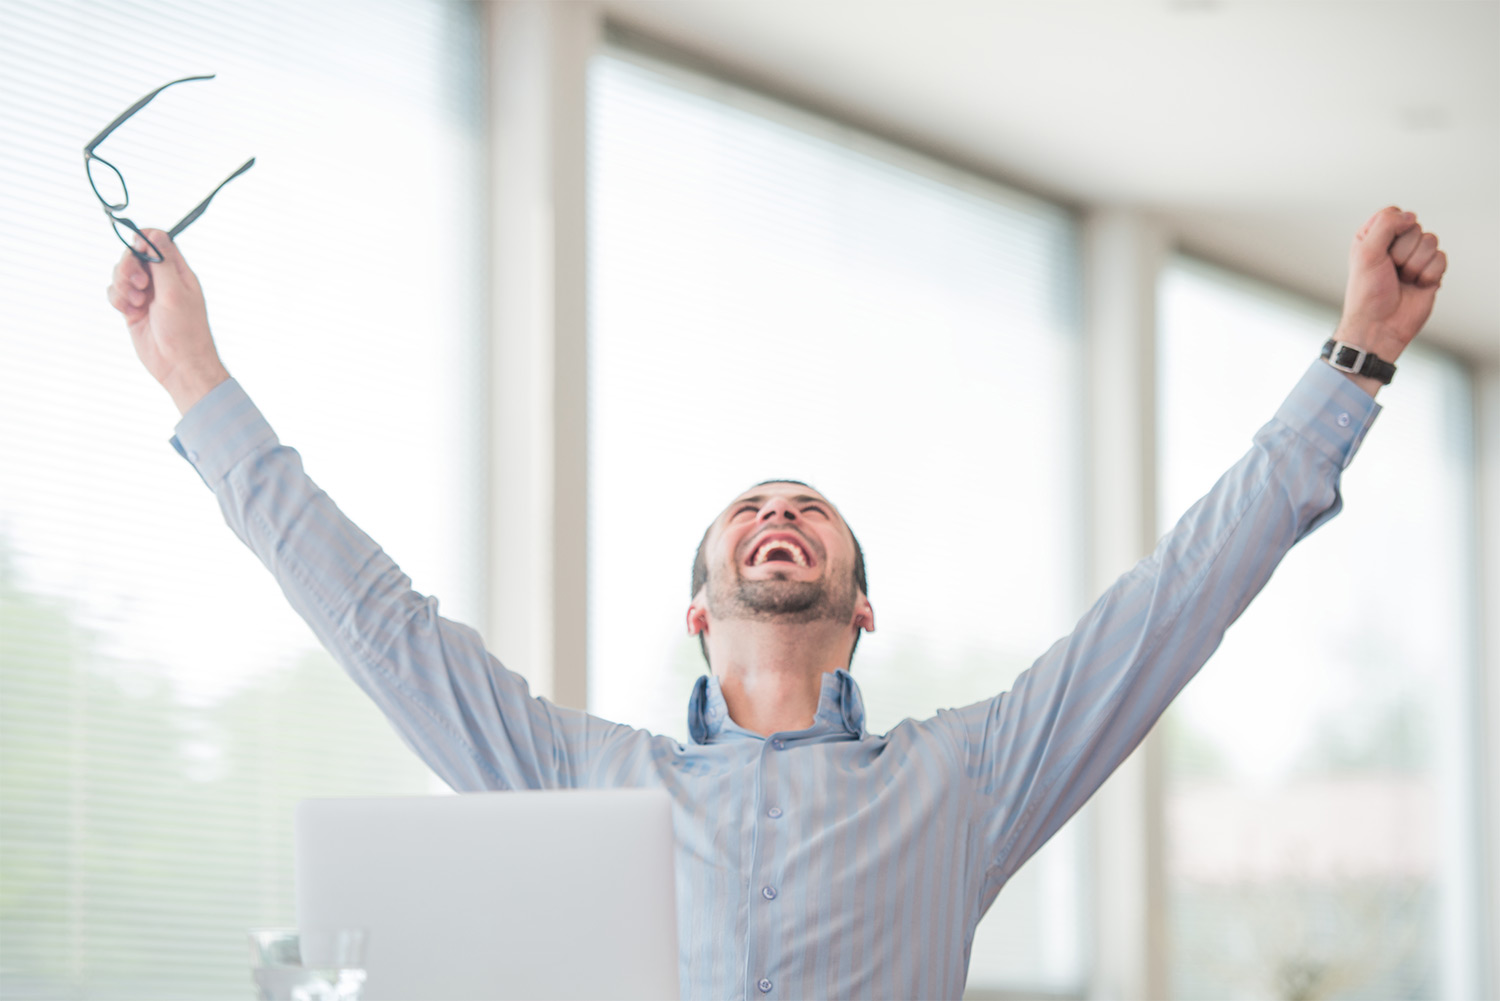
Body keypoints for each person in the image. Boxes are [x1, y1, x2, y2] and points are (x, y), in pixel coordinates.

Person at [106, 206, 1446, 999]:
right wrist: (195, 378)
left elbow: (1175, 600)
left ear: (864, 606)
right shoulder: (583, 775)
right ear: (701, 606)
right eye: (750, 507)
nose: (779, 512)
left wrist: (1359, 356)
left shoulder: (963, 779)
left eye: (810, 506)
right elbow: (375, 622)